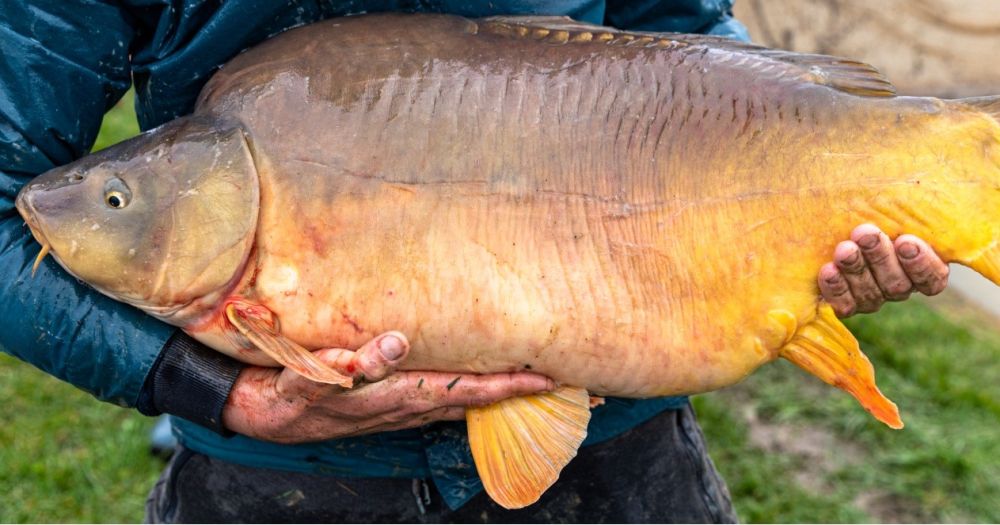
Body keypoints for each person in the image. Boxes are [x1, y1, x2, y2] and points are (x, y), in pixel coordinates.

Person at [0, 1, 949, 522]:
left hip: (618, 446)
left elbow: (686, 41)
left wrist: (811, 212)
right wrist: (219, 389)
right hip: (274, 481)